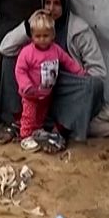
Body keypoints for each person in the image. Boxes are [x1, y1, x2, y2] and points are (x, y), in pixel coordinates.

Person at [0, 0, 109, 141]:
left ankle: (60, 129)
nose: (51, 8)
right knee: (9, 60)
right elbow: (5, 48)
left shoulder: (79, 31)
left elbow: (98, 72)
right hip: (36, 90)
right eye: (47, 3)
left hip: (64, 89)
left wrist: (76, 81)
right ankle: (19, 120)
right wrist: (29, 24)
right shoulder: (37, 27)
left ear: (65, 5)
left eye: (57, 4)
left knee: (94, 85)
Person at [15, 11, 85, 151]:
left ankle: (37, 131)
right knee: (29, 115)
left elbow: (68, 61)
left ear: (52, 35)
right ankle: (26, 136)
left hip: (46, 93)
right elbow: (20, 70)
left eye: (45, 36)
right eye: (38, 36)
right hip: (30, 94)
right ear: (32, 36)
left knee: (40, 115)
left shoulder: (56, 50)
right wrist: (26, 85)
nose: (42, 39)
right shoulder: (27, 52)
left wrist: (80, 72)